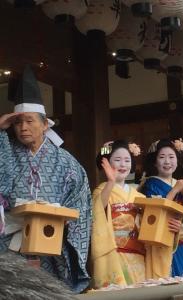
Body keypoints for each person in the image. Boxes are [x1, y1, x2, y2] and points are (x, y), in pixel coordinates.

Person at [0, 66, 91, 292]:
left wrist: (63, 221)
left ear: (45, 124)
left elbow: (80, 200)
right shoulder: (6, 150)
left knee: (49, 292)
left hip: (52, 242)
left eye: (29, 121)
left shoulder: (66, 161)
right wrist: (1, 132)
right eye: (18, 123)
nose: (23, 128)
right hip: (11, 243)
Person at [91, 140, 147, 288]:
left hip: (138, 255)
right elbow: (97, 212)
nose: (123, 164)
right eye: (117, 160)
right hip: (113, 254)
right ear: (107, 164)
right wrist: (110, 182)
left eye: (127, 160)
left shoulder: (139, 196)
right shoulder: (101, 190)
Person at [139, 138, 183, 278]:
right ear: (155, 162)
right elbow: (155, 214)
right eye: (162, 157)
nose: (167, 161)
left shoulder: (181, 184)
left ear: (177, 160)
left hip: (182, 243)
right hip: (162, 242)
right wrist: (175, 190)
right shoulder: (151, 184)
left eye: (171, 157)